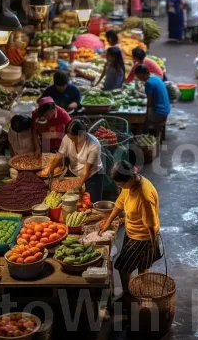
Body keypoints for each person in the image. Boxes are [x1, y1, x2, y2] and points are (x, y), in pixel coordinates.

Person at [99, 161, 162, 301]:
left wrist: (151, 243)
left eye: (121, 185)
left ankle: (129, 295)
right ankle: (140, 291)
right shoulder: (129, 185)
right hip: (132, 230)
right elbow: (120, 203)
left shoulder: (144, 196)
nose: (120, 187)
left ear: (131, 178)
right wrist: (108, 223)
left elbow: (150, 225)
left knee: (122, 266)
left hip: (143, 236)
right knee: (142, 264)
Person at [47, 119, 104, 202]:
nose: (72, 141)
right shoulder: (68, 138)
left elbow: (87, 170)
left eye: (74, 138)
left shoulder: (94, 145)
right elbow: (60, 155)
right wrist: (51, 169)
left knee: (92, 202)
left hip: (92, 175)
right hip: (74, 173)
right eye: (70, 138)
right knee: (74, 202)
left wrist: (79, 185)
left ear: (83, 134)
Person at [134, 64, 171, 137]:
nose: (137, 78)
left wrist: (142, 106)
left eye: (138, 76)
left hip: (160, 112)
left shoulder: (148, 83)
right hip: (166, 108)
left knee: (140, 120)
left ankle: (143, 135)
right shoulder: (155, 77)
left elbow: (149, 103)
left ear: (143, 75)